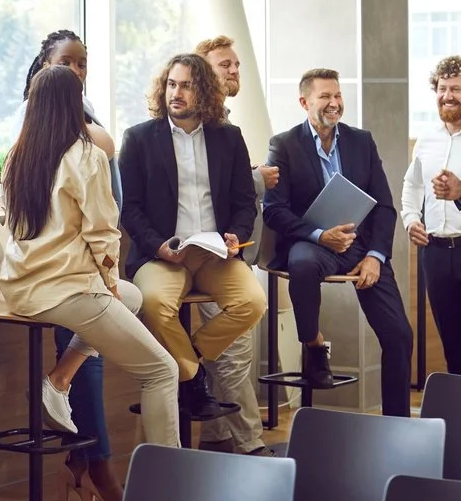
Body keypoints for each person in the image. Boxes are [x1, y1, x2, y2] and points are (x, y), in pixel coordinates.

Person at [0, 64, 179, 448]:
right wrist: (108, 285)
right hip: (66, 290)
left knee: (133, 297)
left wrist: (114, 291)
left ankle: (59, 379)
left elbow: (9, 222)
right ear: (73, 105)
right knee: (162, 371)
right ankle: (170, 478)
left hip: (20, 288)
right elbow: (102, 234)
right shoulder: (86, 155)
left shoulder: (17, 157)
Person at [118, 53, 266, 419]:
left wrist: (237, 235)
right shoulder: (138, 139)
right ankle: (193, 377)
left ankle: (189, 362)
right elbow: (128, 207)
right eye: (171, 84)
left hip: (215, 251)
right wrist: (157, 245)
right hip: (162, 253)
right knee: (152, 303)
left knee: (252, 302)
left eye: (185, 85)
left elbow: (246, 202)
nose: (176, 93)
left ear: (203, 91)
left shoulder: (228, 138)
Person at [263, 68, 413, 415]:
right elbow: (274, 211)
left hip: (360, 248)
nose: (334, 103)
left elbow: (385, 206)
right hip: (313, 243)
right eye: (325, 97)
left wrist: (375, 255)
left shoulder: (361, 141)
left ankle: (398, 422)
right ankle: (314, 345)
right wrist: (319, 235)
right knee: (301, 263)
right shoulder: (283, 145)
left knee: (400, 336)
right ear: (304, 102)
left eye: (338, 95)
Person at [18, 29, 126, 499]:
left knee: (89, 351)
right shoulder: (40, 118)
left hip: (95, 257)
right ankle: (97, 462)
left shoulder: (78, 116)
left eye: (83, 64)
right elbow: (105, 145)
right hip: (66, 265)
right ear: (45, 66)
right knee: (94, 351)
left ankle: (81, 457)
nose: (77, 72)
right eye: (67, 63)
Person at [191, 35, 274, 457]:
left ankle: (218, 436)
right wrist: (258, 179)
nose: (234, 71)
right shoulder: (188, 127)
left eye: (236, 64)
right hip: (196, 252)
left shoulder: (226, 127)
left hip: (229, 246)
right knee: (237, 345)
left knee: (232, 346)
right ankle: (249, 442)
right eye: (225, 65)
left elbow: (234, 193)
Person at [406, 56, 461, 374]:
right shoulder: (426, 139)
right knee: (452, 348)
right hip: (436, 254)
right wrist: (412, 219)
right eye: (443, 88)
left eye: (456, 88)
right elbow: (411, 185)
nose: (448, 95)